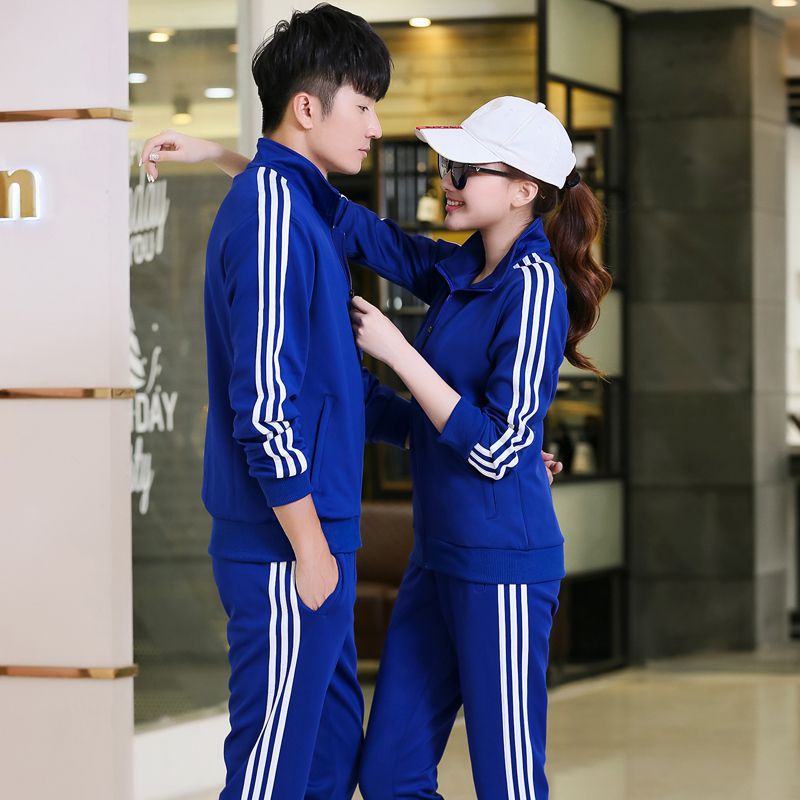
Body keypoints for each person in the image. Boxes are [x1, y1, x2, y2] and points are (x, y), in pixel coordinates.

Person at [143, 80, 568, 800]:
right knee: (391, 774)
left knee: (510, 781)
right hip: (438, 555)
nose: (448, 181)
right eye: (447, 166)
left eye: (468, 170)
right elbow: (333, 214)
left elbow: (499, 447)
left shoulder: (534, 285)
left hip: (501, 561)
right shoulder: (458, 269)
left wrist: (400, 353)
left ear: (524, 190)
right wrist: (220, 155)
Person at [144, 6, 411, 799]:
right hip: (288, 547)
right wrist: (310, 547)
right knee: (270, 775)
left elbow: (338, 389)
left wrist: (453, 434)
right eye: (362, 105)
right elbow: (263, 403)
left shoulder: (300, 207)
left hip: (316, 538)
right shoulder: (272, 214)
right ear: (307, 107)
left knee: (324, 766)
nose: (375, 126)